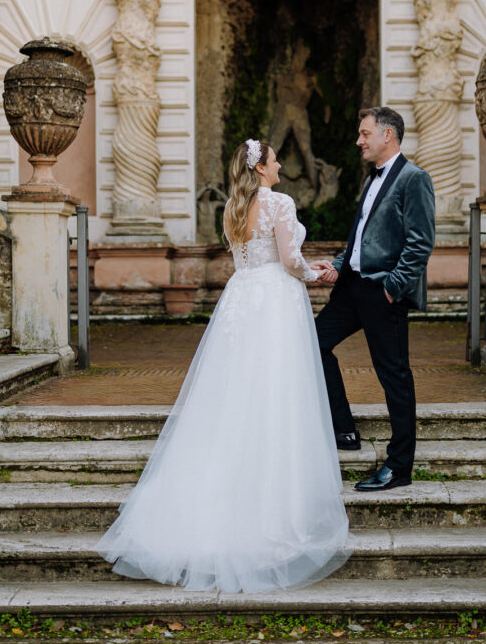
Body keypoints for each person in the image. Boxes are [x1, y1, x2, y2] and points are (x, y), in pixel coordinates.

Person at [96, 138, 349, 593]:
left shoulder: (233, 207)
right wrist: (318, 273)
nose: (279, 167)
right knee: (276, 394)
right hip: (274, 302)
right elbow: (290, 261)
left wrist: (300, 266)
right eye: (274, 161)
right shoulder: (280, 202)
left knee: (232, 397)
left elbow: (254, 258)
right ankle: (273, 511)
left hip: (242, 297)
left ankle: (207, 507)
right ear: (262, 168)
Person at [314, 107, 435, 491]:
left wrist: (392, 287)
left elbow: (420, 242)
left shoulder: (414, 178)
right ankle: (344, 429)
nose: (358, 140)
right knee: (312, 343)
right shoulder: (371, 180)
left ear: (388, 135)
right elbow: (361, 238)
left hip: (383, 292)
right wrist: (337, 265)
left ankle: (399, 466)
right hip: (350, 288)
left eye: (365, 133)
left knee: (394, 375)